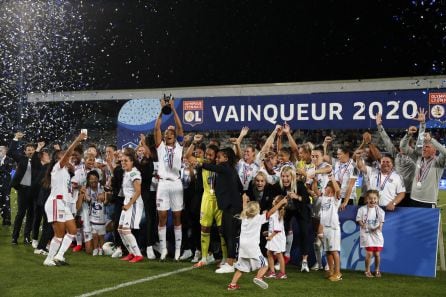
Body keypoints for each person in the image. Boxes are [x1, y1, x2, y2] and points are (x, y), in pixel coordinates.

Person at [195, 147, 243, 273]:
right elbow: (240, 187)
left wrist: (199, 161)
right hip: (231, 206)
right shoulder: (230, 170)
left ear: (226, 158)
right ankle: (230, 261)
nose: (217, 159)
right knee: (228, 234)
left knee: (230, 235)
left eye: (219, 157)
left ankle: (230, 263)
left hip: (231, 207)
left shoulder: (224, 168)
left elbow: (210, 167)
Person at [42, 131, 86, 266]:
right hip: (56, 202)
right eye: (63, 156)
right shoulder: (57, 168)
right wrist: (77, 140)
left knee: (72, 231)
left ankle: (59, 256)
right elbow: (68, 154)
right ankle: (48, 259)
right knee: (59, 234)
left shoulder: (66, 172)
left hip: (64, 204)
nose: (68, 157)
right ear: (58, 159)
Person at [227, 195, 288, 290]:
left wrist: (244, 200)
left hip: (242, 247)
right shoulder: (258, 218)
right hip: (252, 247)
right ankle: (258, 277)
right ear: (257, 211)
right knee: (265, 265)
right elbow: (271, 211)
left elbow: (244, 208)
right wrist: (281, 202)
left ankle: (232, 285)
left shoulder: (244, 217)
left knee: (241, 268)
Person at [154, 97, 184, 260]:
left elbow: (179, 127)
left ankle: (178, 250)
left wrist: (173, 109)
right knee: (162, 217)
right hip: (163, 184)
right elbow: (156, 128)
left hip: (176, 184)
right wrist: (162, 109)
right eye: (166, 133)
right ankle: (164, 249)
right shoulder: (160, 147)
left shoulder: (179, 146)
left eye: (171, 133)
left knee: (178, 216)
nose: (168, 134)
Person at [273, 165, 311, 272]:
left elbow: (307, 200)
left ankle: (304, 261)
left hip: (301, 210)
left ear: (292, 177)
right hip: (287, 211)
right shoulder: (279, 186)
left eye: (287, 176)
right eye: (283, 176)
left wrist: (297, 197)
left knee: (304, 232)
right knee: (281, 232)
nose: (285, 179)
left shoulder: (299, 185)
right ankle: (280, 259)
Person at [8, 132, 41, 245]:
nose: (30, 151)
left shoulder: (38, 160)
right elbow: (11, 152)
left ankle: (27, 237)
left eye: (32, 149)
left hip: (33, 191)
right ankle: (15, 237)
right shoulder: (21, 159)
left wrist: (38, 150)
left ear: (35, 150)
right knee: (20, 213)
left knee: (31, 214)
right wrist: (16, 138)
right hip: (22, 190)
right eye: (28, 149)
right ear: (25, 151)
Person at [400, 131, 446, 208]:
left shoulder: (439, 162)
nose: (424, 149)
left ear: (434, 151)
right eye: (423, 147)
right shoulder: (418, 159)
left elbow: (444, 153)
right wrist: (408, 134)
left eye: (427, 147)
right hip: (413, 199)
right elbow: (403, 147)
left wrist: (431, 140)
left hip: (428, 202)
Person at [117, 148, 144, 263]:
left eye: (126, 160)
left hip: (134, 203)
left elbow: (138, 191)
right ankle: (131, 253)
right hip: (127, 202)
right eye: (122, 161)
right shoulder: (127, 172)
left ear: (132, 161)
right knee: (120, 229)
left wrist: (128, 204)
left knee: (126, 230)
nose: (123, 163)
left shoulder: (134, 173)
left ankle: (138, 254)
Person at [78, 171, 109, 256]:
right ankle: (95, 247)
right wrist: (82, 194)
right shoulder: (86, 190)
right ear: (88, 180)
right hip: (89, 219)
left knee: (101, 235)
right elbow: (80, 205)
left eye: (95, 178)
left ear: (98, 179)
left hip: (101, 218)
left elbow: (105, 200)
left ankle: (101, 248)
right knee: (89, 250)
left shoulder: (102, 188)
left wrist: (105, 195)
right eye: (91, 179)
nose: (93, 180)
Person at [318, 177, 342, 281]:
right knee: (328, 251)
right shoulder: (324, 198)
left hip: (333, 228)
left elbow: (338, 190)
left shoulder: (336, 200)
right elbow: (314, 190)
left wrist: (332, 179)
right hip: (325, 228)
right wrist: (314, 180)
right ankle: (331, 271)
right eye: (326, 186)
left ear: (332, 189)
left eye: (328, 187)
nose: (326, 188)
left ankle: (338, 273)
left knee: (334, 251)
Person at [356, 190, 385, 278]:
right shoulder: (362, 209)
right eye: (370, 198)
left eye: (374, 198)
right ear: (366, 199)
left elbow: (381, 223)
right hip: (367, 234)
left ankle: (377, 270)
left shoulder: (380, 211)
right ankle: (367, 271)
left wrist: (379, 227)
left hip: (376, 235)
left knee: (377, 254)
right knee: (369, 253)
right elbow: (359, 220)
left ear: (378, 199)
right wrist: (362, 224)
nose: (372, 200)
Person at [264, 195, 287, 280]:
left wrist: (270, 236)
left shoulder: (276, 213)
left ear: (277, 203)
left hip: (277, 237)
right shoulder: (275, 212)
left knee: (279, 254)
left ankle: (282, 273)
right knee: (269, 253)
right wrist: (268, 232)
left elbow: (277, 229)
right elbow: (274, 227)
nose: (273, 199)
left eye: (274, 199)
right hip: (274, 236)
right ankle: (272, 272)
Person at [333, 146, 358, 210]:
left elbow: (350, 185)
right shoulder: (337, 164)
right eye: (337, 154)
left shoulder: (355, 167)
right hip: (336, 196)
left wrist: (345, 202)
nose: (337, 156)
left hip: (347, 198)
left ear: (347, 154)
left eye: (340, 154)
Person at [0, 145, 15, 226]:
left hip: (5, 185)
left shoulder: (10, 160)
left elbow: (8, 172)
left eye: (0, 150)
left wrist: (1, 168)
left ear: (5, 151)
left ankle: (6, 219)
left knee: (5, 201)